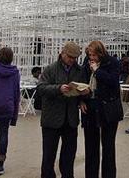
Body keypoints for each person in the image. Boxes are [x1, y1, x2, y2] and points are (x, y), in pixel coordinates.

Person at [36, 41, 86, 178]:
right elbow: (40, 88)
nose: (72, 60)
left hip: (70, 119)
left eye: (75, 58)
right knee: (48, 156)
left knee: (69, 155)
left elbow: (82, 87)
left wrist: (82, 98)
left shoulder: (79, 70)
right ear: (62, 53)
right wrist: (58, 89)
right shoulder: (50, 69)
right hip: (51, 119)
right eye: (70, 57)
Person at [80, 40, 123, 178]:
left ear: (100, 53)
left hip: (108, 109)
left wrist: (97, 71)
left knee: (108, 147)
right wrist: (81, 99)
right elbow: (82, 80)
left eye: (93, 55)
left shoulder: (112, 63)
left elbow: (113, 83)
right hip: (91, 109)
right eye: (89, 55)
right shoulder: (86, 63)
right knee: (91, 147)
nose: (91, 58)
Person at [0, 47, 20, 175]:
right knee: (3, 134)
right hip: (7, 108)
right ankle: (0, 164)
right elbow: (16, 93)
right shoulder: (15, 73)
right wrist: (15, 115)